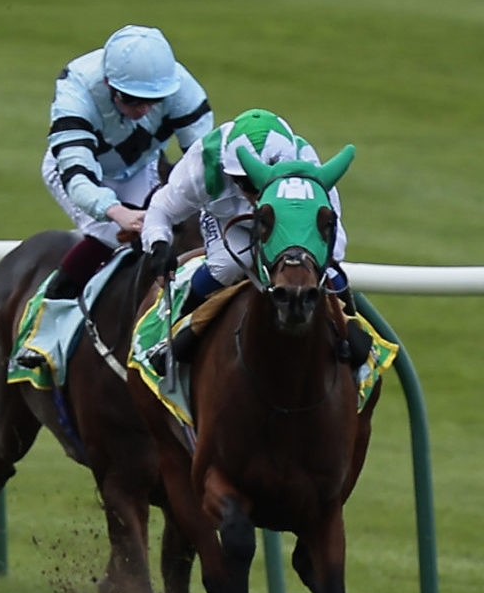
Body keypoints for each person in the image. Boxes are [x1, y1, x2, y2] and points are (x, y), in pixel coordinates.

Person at [139, 108, 364, 372]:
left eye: (260, 184)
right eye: (244, 182)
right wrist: (159, 243)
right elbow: (162, 208)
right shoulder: (203, 162)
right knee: (228, 265)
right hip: (228, 222)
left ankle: (352, 330)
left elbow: (332, 233)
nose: (254, 194)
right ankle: (177, 331)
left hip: (288, 225)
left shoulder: (306, 165)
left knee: (325, 273)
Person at [37, 25, 215, 311]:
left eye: (154, 100)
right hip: (80, 171)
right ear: (109, 84)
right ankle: (50, 310)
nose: (143, 109)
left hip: (141, 166)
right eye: (131, 99)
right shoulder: (76, 90)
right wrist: (117, 212)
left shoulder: (181, 87)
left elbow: (204, 160)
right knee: (109, 234)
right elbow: (78, 175)